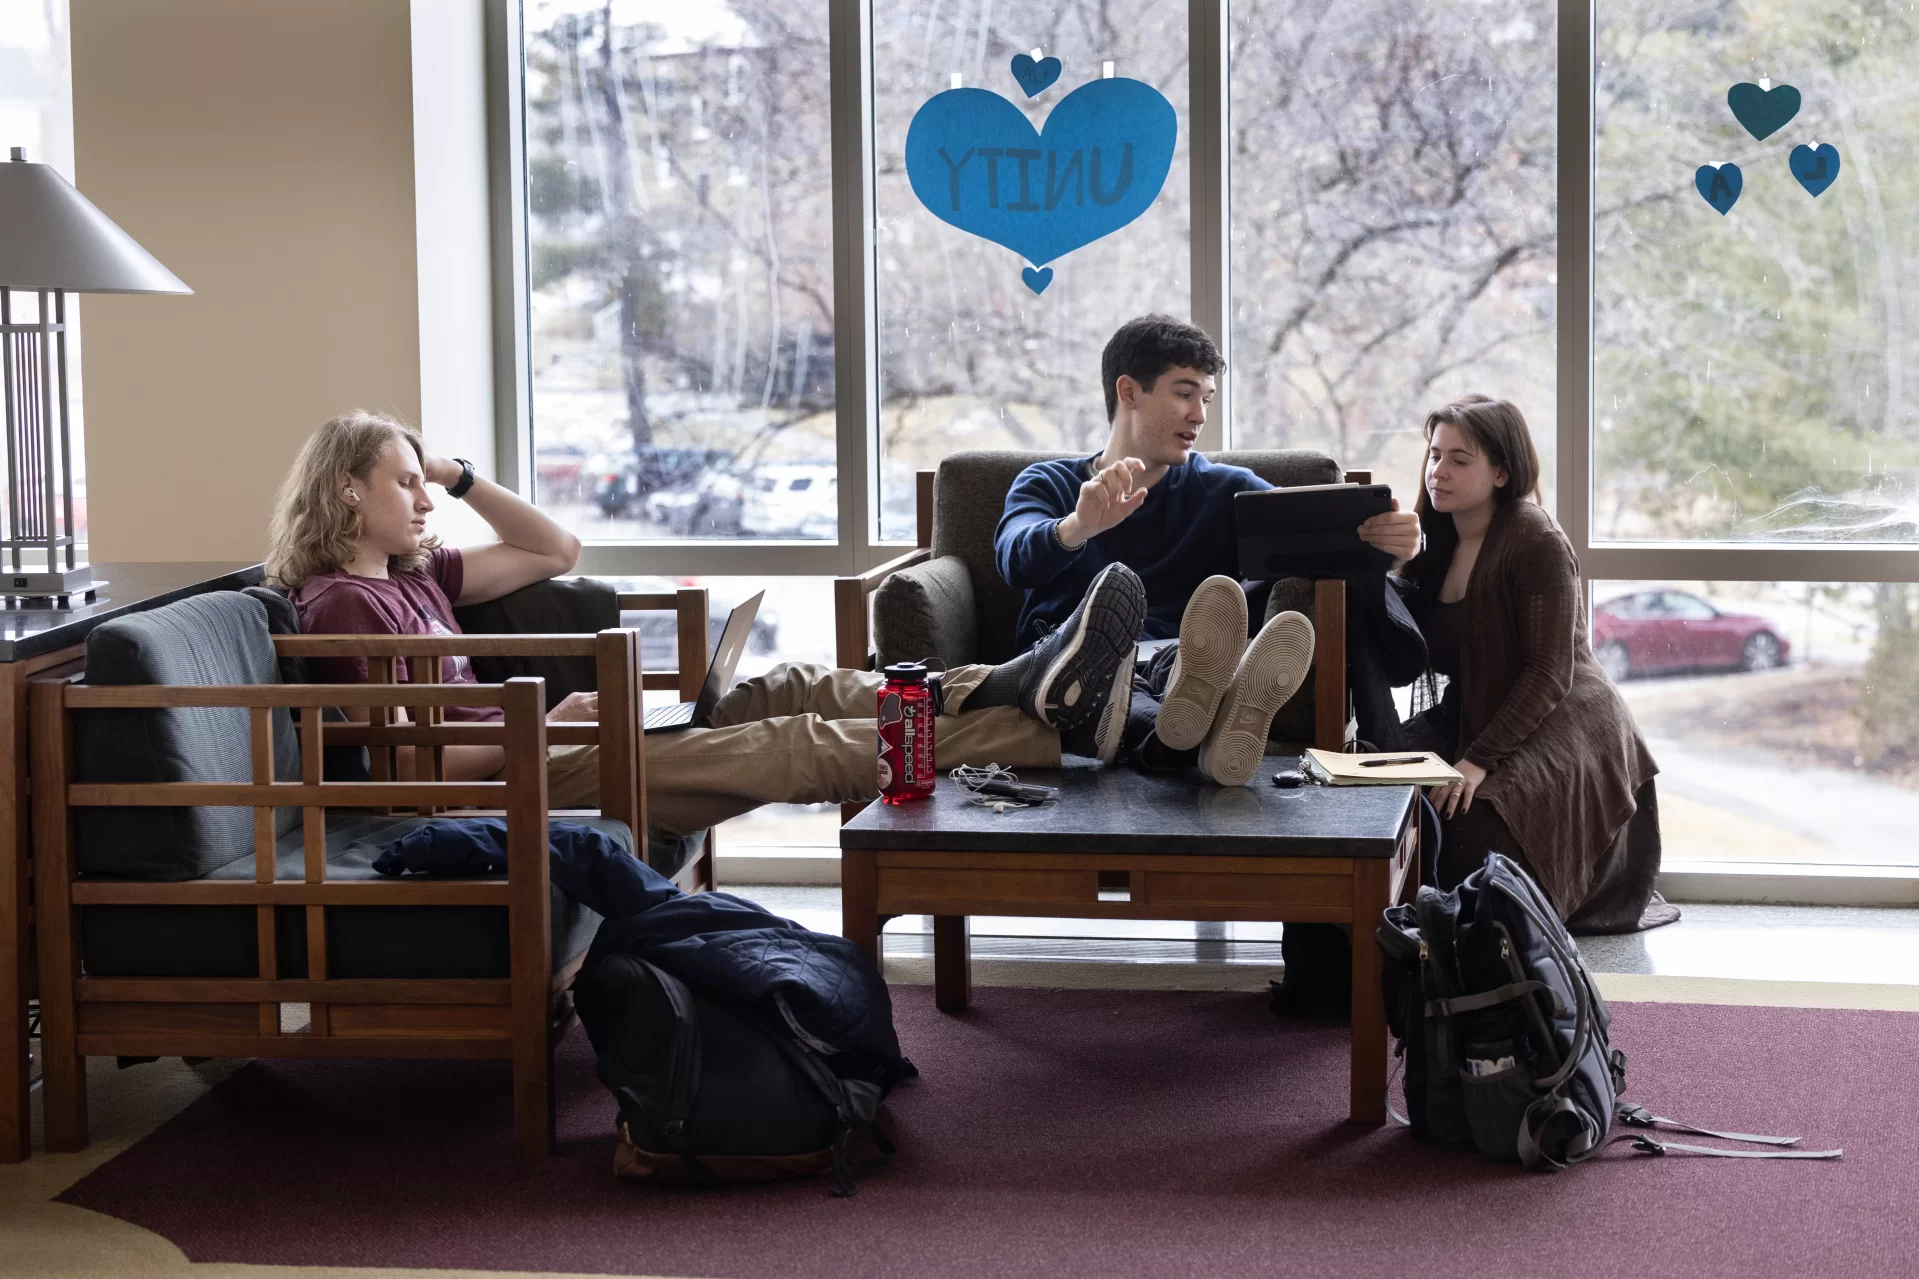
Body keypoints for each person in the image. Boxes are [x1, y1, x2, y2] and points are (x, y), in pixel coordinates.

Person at [263, 411, 1148, 847]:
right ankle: (1058, 722)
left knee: (791, 683)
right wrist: (546, 721)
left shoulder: (419, 575)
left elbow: (554, 547)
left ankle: (1014, 686)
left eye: (426, 484)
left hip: (537, 748)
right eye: (405, 483)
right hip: (505, 784)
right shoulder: (341, 603)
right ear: (347, 491)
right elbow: (411, 770)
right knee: (792, 742)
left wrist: (460, 477)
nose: (425, 500)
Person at [988, 314, 1322, 786]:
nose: (1200, 415)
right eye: (1184, 394)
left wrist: (1394, 546)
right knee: (1121, 684)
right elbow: (1014, 558)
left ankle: (1199, 724)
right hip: (1072, 671)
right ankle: (1196, 735)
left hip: (1179, 663)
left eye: (1205, 399)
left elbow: (1318, 535)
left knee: (1180, 673)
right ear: (1129, 392)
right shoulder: (1048, 482)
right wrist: (1077, 527)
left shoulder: (1226, 490)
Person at [1392, 395, 1676, 933]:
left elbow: (1549, 671)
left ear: (1501, 472)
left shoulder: (1534, 539)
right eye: (1434, 455)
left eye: (1460, 459)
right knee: (1381, 786)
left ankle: (1481, 938)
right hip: (1478, 705)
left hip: (1566, 714)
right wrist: (1388, 562)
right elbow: (1401, 651)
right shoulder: (1433, 537)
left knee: (1475, 816)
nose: (1439, 471)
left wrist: (1477, 762)